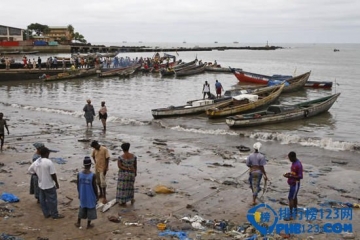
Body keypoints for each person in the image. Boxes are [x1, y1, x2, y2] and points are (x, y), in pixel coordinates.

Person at [28, 147, 64, 219]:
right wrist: (56, 183)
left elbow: (30, 170)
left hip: (41, 184)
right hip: (49, 184)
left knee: (42, 200)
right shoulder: (49, 162)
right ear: (47, 153)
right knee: (53, 200)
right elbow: (53, 174)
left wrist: (37, 174)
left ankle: (46, 213)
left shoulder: (37, 162)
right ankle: (55, 215)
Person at [75, 156, 98, 229]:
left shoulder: (79, 174)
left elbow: (78, 185)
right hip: (90, 196)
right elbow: (95, 187)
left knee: (82, 208)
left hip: (83, 195)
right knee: (90, 209)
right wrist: (97, 196)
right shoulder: (92, 175)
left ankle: (78, 222)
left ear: (84, 164)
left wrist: (79, 193)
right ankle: (88, 225)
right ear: (90, 165)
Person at [283, 151, 303, 220]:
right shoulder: (293, 163)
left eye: (289, 158)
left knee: (290, 198)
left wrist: (291, 177)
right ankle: (295, 210)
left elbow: (300, 176)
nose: (289, 160)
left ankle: (291, 215)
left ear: (293, 157)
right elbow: (294, 173)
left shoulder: (298, 165)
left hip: (295, 183)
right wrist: (289, 174)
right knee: (294, 197)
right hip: (292, 183)